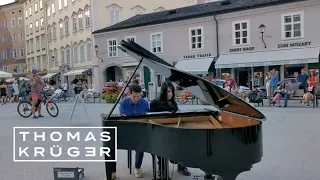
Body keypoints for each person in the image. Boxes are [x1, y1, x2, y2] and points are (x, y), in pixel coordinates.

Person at [150, 82, 191, 179]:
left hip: (173, 131)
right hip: (159, 132)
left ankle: (181, 166)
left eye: (172, 91)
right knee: (160, 148)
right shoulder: (155, 103)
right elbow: (150, 119)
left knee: (183, 143)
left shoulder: (173, 103)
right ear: (163, 92)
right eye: (168, 91)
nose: (171, 94)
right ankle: (162, 169)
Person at [109, 83, 149, 180]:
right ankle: (112, 171)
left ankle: (137, 168)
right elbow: (124, 120)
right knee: (110, 145)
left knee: (141, 144)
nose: (136, 99)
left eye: (138, 96)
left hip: (140, 132)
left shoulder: (144, 103)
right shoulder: (124, 103)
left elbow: (147, 118)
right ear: (129, 94)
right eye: (134, 96)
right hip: (127, 132)